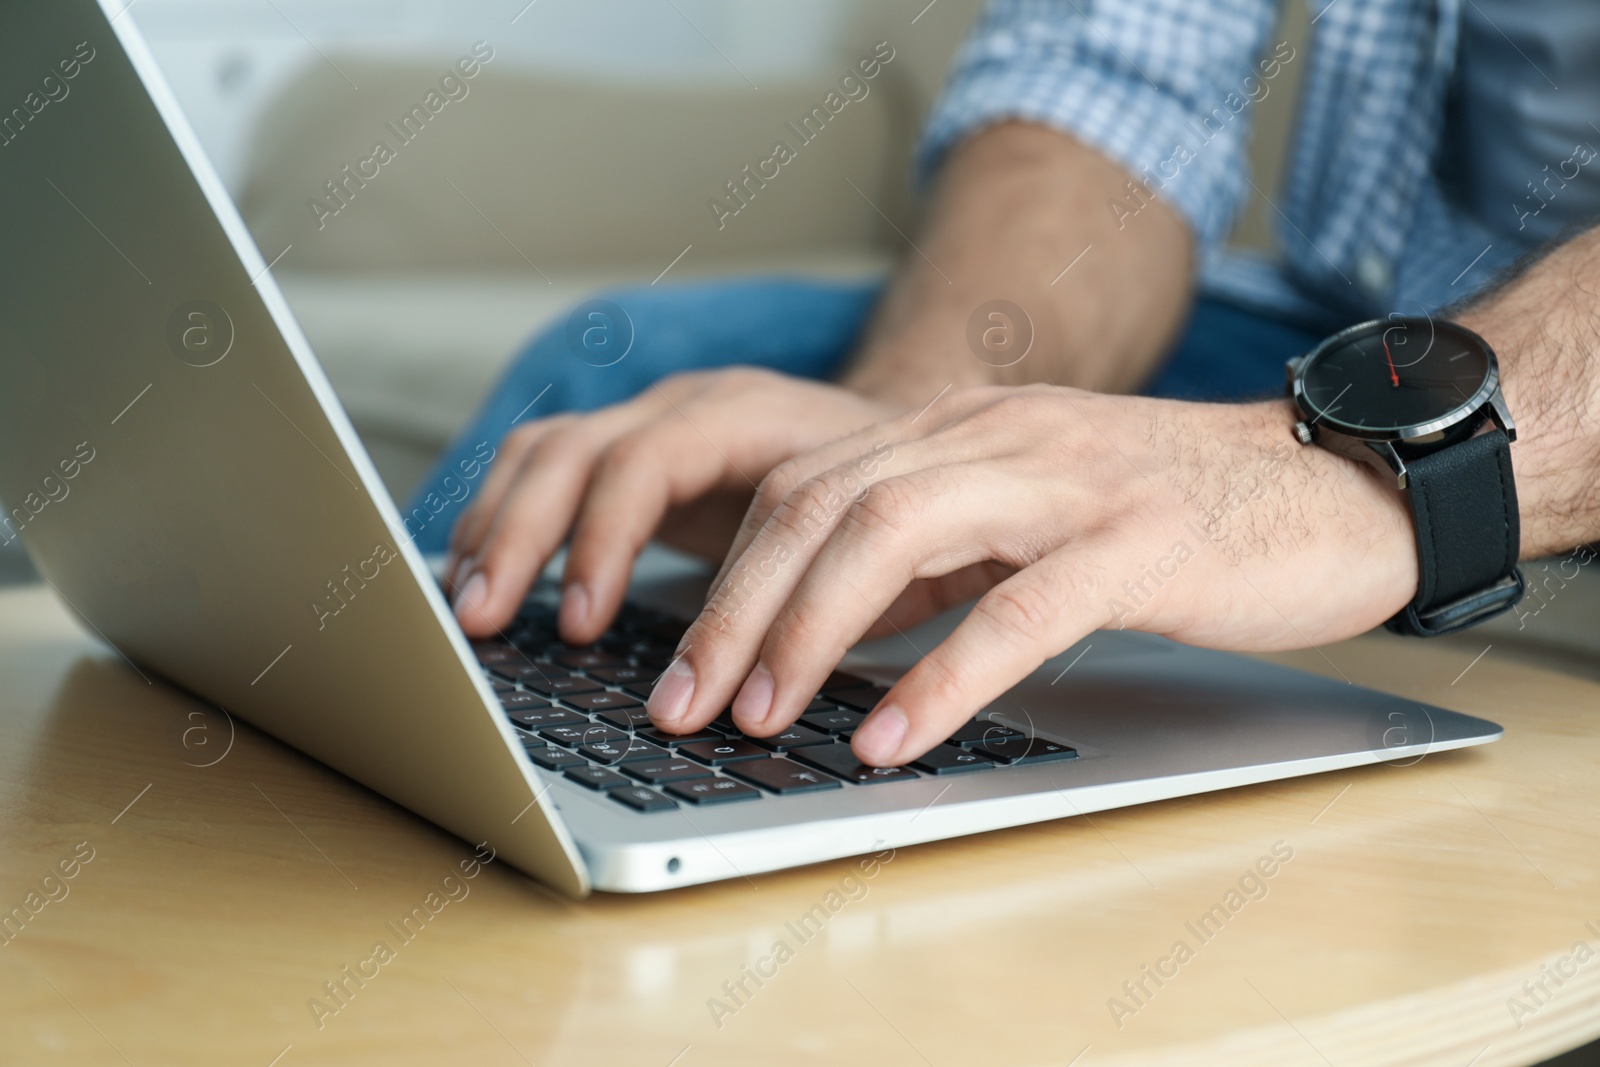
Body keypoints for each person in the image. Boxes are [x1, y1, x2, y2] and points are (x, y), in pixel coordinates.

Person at [415, 0, 1600, 767]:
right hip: (1357, 326)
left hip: (1529, 376)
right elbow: (1113, 74)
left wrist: (1394, 472)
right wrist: (909, 425)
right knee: (620, 370)